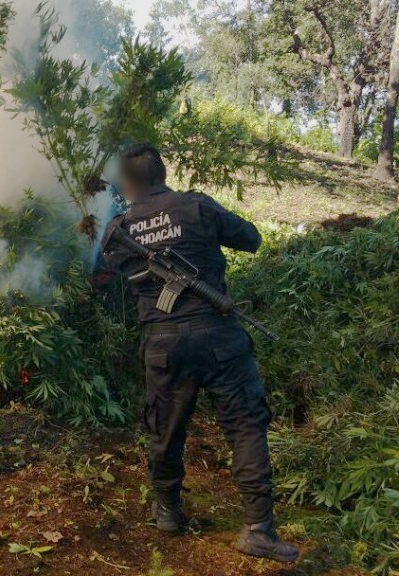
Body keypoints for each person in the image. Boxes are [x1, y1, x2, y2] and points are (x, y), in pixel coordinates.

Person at [98, 144, 299, 563]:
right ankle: (260, 528)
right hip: (219, 336)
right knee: (245, 425)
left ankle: (168, 510)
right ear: (162, 173)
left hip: (163, 342)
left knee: (165, 429)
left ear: (127, 182)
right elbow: (250, 239)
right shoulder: (196, 206)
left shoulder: (120, 226)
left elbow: (109, 271)